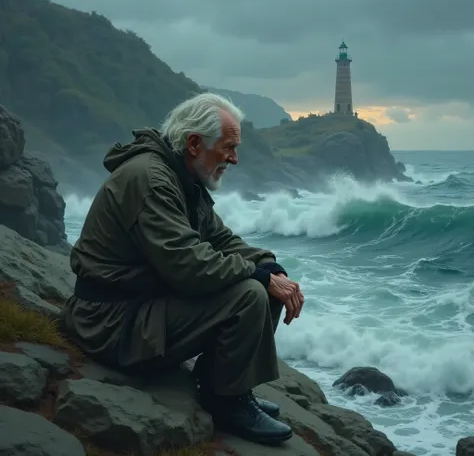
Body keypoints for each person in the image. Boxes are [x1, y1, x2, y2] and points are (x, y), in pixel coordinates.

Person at [62, 92, 305, 445]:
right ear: (194, 143)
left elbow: (221, 240)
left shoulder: (182, 176)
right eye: (228, 147)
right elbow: (189, 267)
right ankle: (224, 401)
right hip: (109, 323)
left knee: (263, 282)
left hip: (134, 310)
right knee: (250, 294)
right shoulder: (150, 180)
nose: (235, 159)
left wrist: (269, 265)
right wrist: (259, 277)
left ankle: (225, 386)